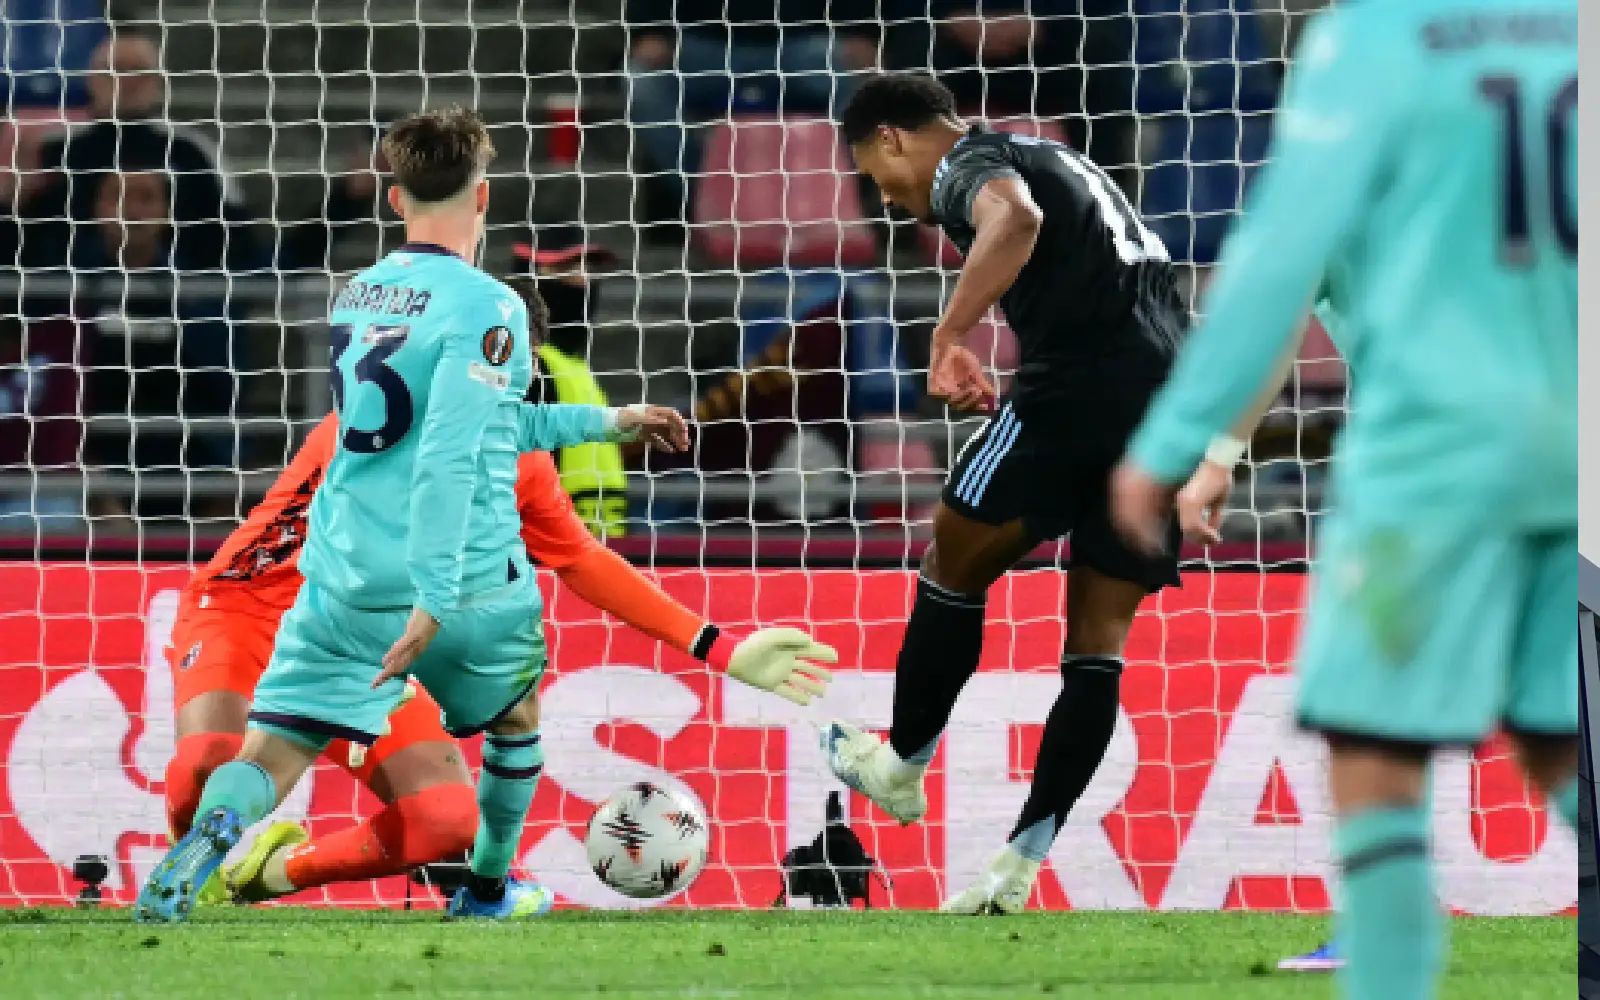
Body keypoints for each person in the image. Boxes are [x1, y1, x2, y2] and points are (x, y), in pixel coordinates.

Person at [130, 107, 703, 923]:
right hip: (340, 587)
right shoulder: (485, 337)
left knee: (353, 776)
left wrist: (604, 425)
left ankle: (241, 851)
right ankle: (482, 891)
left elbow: (476, 461)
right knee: (506, 719)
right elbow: (463, 472)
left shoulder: (362, 299)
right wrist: (439, 595)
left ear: (396, 198)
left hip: (343, 592)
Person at [1109, 4, 1577, 998]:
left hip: (1438, 451)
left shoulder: (1373, 45)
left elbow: (1274, 272)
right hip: (1576, 444)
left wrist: (1183, 451)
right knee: (1554, 726)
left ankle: (1376, 950)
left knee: (1374, 748)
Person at [159, 282, 836, 911]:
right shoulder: (374, 417)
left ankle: (269, 874)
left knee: (446, 819)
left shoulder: (518, 457)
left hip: (370, 638)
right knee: (206, 762)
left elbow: (583, 560)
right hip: (247, 608)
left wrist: (719, 646)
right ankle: (193, 875)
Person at [818, 73, 1188, 913]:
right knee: (1097, 644)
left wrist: (949, 336)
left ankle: (902, 765)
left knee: (952, 552)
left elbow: (1014, 218)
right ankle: (1017, 870)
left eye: (880, 178)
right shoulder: (1051, 152)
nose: (890, 196)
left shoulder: (967, 163)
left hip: (1081, 384)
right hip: (1171, 390)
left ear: (893, 139)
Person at [622, 0, 878, 226]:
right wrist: (648, 31)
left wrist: (862, 32)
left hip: (803, 45)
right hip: (700, 48)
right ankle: (705, 194)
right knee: (641, 82)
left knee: (865, 82)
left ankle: (832, 196)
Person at [21, 32, 256, 269]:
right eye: (116, 69)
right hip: (67, 294)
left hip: (177, 294)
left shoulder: (193, 151)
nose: (127, 81)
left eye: (138, 71)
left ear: (157, 81)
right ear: (91, 79)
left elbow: (234, 231)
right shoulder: (51, 150)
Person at [511, 226, 628, 537]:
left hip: (596, 550)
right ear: (529, 275)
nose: (582, 279)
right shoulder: (527, 368)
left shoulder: (572, 365)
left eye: (588, 268)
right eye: (565, 267)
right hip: (549, 557)